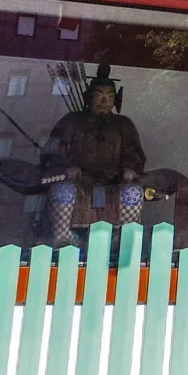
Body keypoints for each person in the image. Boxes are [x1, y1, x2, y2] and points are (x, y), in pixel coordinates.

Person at [41, 66, 149, 246]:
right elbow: (53, 152)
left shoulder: (124, 124)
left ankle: (121, 240)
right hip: (78, 184)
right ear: (88, 97)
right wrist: (67, 169)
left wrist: (130, 170)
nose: (104, 101)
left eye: (110, 96)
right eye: (99, 95)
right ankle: (65, 238)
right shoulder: (72, 121)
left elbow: (134, 154)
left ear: (116, 99)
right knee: (62, 191)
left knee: (133, 193)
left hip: (114, 184)